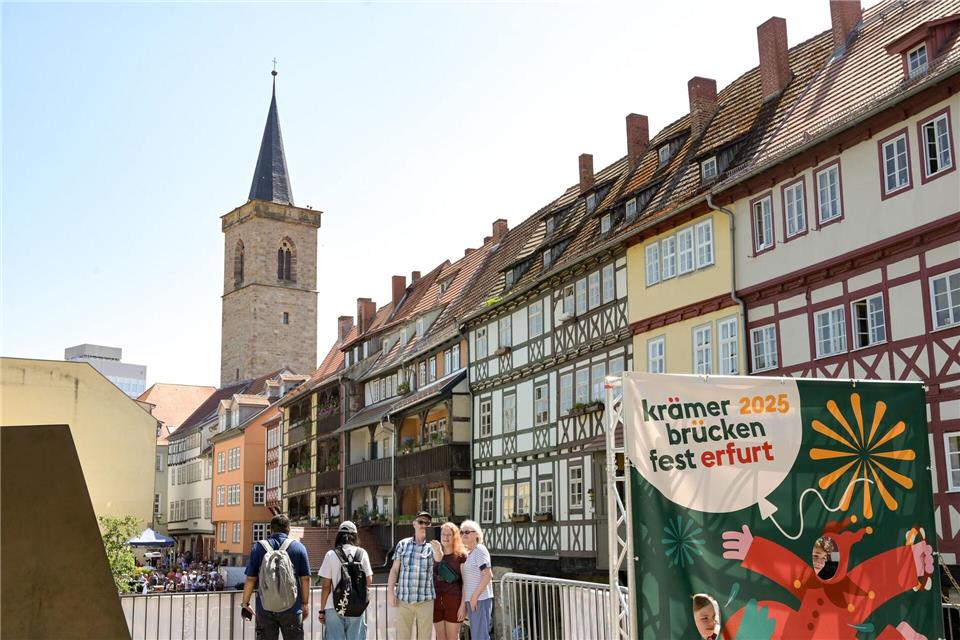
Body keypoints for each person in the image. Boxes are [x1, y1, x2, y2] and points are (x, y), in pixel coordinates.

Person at [241, 514, 312, 640]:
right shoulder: (299, 548)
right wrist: (305, 604)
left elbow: (251, 579)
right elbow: (305, 579)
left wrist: (245, 603)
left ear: (270, 530)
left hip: (265, 609)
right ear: (288, 529)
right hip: (292, 608)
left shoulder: (258, 548)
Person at [318, 521, 373, 640]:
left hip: (333, 606)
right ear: (355, 536)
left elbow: (326, 586)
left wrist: (322, 611)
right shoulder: (362, 553)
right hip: (357, 606)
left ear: (339, 536)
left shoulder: (331, 554)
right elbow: (369, 580)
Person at [388, 510, 436, 640]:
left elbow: (439, 558)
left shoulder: (433, 546)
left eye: (427, 523)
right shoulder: (403, 544)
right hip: (404, 599)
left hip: (425, 600)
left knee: (425, 638)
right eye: (421, 522)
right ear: (414, 524)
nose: (423, 525)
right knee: (403, 637)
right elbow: (394, 570)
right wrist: (390, 592)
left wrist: (438, 548)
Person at [431, 522, 467, 640]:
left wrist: (463, 606)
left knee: (453, 637)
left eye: (449, 535)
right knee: (440, 638)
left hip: (454, 602)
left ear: (454, 536)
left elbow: (465, 583)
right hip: (436, 601)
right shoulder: (433, 554)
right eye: (443, 534)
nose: (445, 537)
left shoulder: (461, 556)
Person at [460, 520, 493, 640]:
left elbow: (487, 575)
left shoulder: (479, 549)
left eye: (467, 532)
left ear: (477, 534)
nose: (464, 534)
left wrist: (474, 597)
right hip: (472, 600)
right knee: (476, 636)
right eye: (462, 532)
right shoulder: (468, 553)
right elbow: (466, 582)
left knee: (480, 636)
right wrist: (464, 604)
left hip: (480, 599)